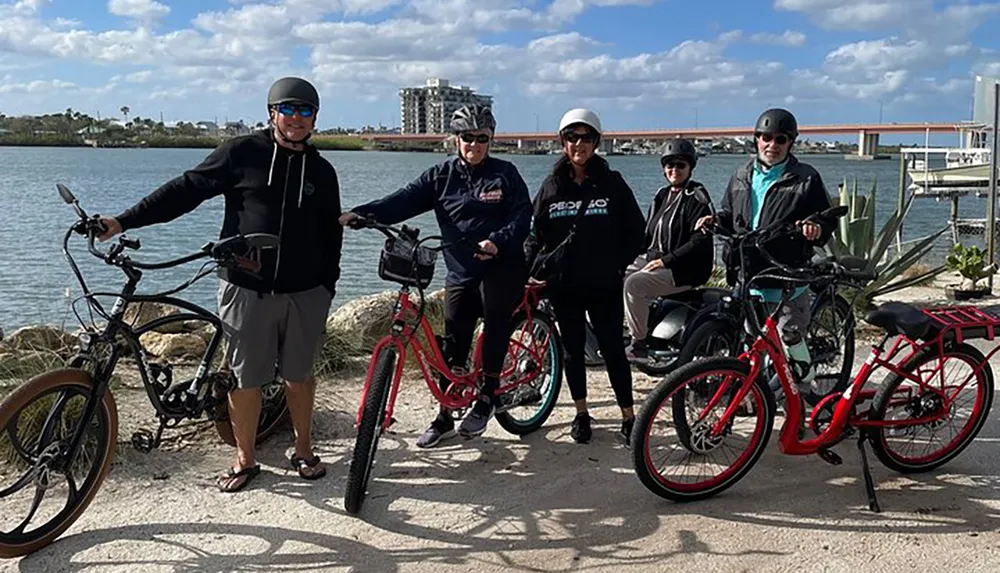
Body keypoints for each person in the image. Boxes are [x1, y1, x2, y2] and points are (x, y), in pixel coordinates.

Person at [97, 77, 342, 492]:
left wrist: (328, 287)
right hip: (246, 286)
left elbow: (331, 235)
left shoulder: (322, 169)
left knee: (299, 375)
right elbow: (186, 190)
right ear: (272, 113)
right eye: (288, 109)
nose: (296, 118)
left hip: (305, 292)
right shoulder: (242, 153)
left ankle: (303, 450)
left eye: (305, 111)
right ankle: (245, 459)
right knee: (246, 377)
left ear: (315, 117)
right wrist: (123, 220)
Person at [339, 104, 531, 447]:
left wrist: (498, 242)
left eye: (481, 138)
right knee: (453, 338)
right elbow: (403, 200)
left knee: (495, 309)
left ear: (491, 139)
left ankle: (488, 395)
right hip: (460, 269)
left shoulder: (505, 174)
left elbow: (521, 217)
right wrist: (362, 214)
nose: (474, 145)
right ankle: (445, 415)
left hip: (502, 265)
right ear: (456, 139)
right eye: (467, 137)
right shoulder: (440, 176)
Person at [524, 108, 645, 445]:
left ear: (596, 142)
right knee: (573, 353)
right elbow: (536, 235)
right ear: (563, 142)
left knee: (613, 352)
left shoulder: (612, 183)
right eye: (572, 137)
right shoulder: (551, 186)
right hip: (564, 286)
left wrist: (617, 264)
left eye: (586, 137)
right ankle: (581, 413)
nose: (579, 144)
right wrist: (528, 270)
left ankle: (628, 415)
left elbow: (637, 231)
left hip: (604, 285)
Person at [695, 108, 834, 395]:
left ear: (790, 142)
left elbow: (826, 216)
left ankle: (804, 390)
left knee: (792, 339)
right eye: (766, 137)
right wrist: (714, 220)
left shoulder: (805, 178)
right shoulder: (741, 175)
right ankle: (751, 392)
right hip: (748, 274)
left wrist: (816, 227)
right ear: (756, 139)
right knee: (749, 341)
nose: (772, 145)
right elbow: (727, 212)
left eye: (780, 139)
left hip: (786, 277)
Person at [623, 138, 714, 361]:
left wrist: (666, 261)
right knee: (611, 272)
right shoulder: (661, 195)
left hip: (683, 268)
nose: (675, 170)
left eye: (681, 165)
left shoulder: (697, 197)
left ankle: (639, 344)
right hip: (656, 259)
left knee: (634, 283)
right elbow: (647, 235)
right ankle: (618, 330)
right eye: (670, 165)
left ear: (690, 167)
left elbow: (698, 242)